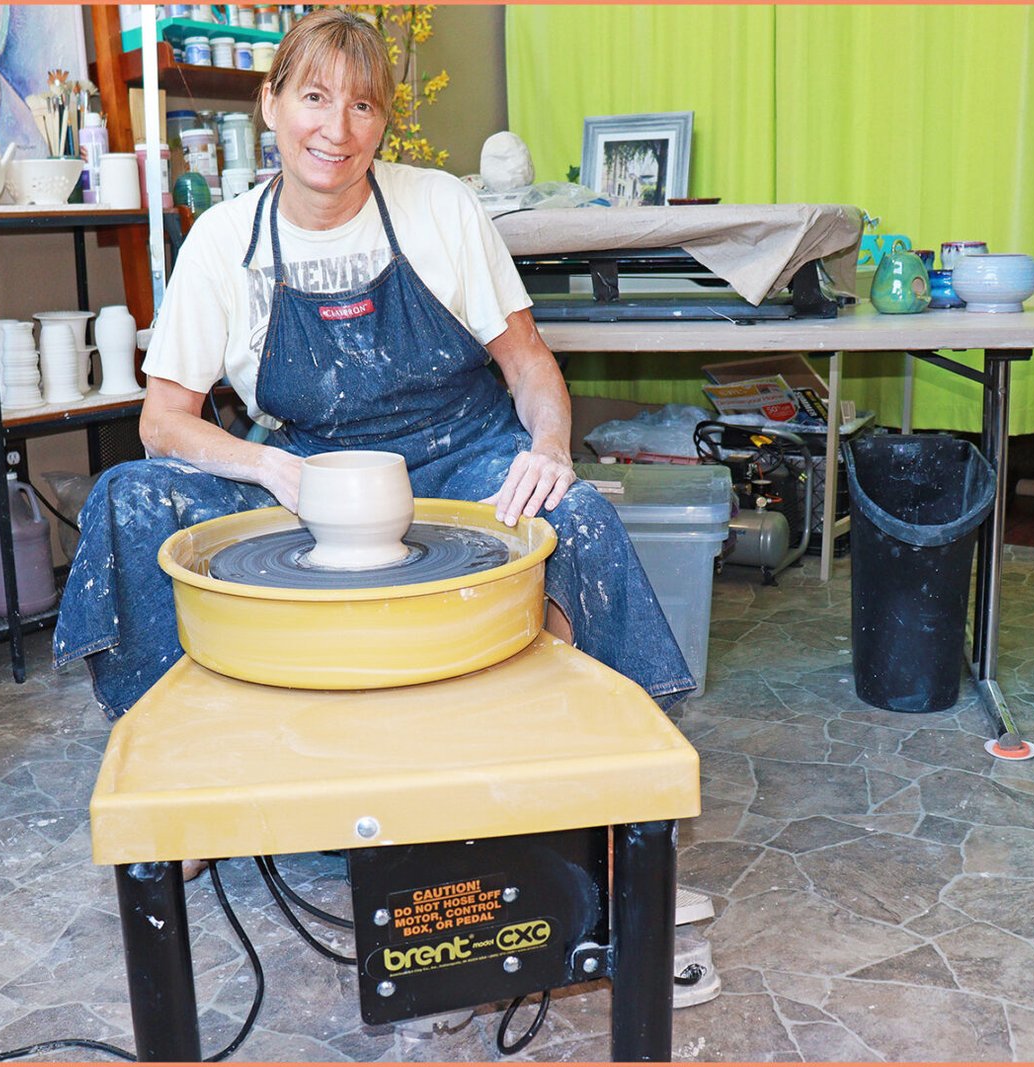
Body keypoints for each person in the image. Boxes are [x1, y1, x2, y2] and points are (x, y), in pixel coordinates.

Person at [54, 9, 692, 725]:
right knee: (127, 498)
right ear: (271, 102)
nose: (338, 130)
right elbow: (162, 423)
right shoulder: (221, 241)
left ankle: (589, 760)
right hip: (313, 481)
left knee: (576, 517)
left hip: (467, 461)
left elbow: (529, 364)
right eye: (316, 98)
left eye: (363, 105)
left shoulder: (440, 206)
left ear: (383, 122)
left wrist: (548, 449)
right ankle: (183, 743)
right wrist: (271, 468)